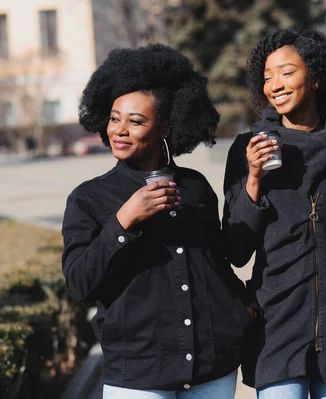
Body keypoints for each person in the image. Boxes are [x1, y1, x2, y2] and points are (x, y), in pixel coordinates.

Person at [61, 44, 252, 398]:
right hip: (138, 372)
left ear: (165, 127)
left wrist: (242, 310)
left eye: (135, 121)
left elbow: (216, 263)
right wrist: (123, 221)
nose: (120, 130)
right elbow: (79, 285)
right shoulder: (88, 198)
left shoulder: (195, 186)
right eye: (115, 118)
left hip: (212, 368)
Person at [222, 28, 326, 399]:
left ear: (315, 78)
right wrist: (253, 179)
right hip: (274, 324)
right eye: (267, 77)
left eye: (286, 72)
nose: (275, 85)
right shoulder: (246, 150)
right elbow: (235, 250)